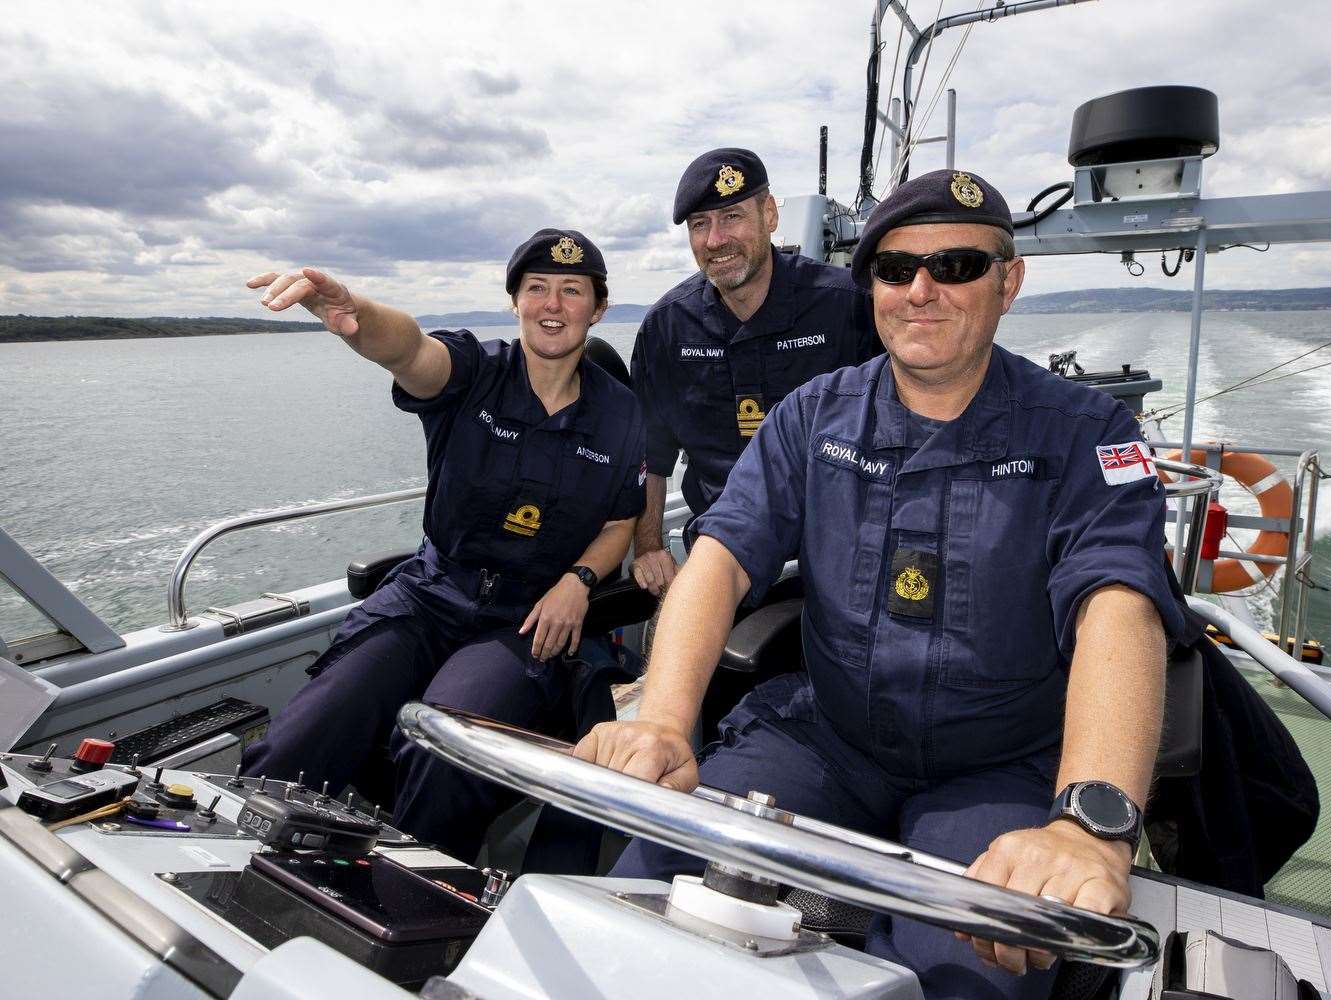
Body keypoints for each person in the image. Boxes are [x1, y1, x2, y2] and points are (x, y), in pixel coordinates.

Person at [577, 170, 1194, 999]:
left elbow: (1119, 606)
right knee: (647, 888)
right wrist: (662, 722)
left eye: (959, 267)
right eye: (897, 270)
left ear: (1008, 281)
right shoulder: (813, 416)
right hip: (831, 742)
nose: (923, 291)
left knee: (969, 975)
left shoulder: (1087, 433)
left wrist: (1088, 826)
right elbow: (721, 556)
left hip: (998, 766)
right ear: (872, 287)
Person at [240, 229, 647, 862]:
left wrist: (580, 581)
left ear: (597, 310)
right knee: (299, 739)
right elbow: (410, 352)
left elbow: (621, 520)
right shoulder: (477, 371)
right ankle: (242, 868)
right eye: (537, 287)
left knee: (441, 751)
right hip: (432, 595)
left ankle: (415, 903)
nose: (553, 303)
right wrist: (356, 316)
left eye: (573, 291)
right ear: (514, 302)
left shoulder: (622, 414)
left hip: (522, 620)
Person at [628, 147, 880, 597]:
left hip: (839, 546)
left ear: (769, 214)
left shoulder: (847, 307)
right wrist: (648, 545)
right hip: (723, 547)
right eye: (700, 224)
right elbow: (651, 453)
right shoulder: (667, 328)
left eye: (732, 217)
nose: (715, 239)